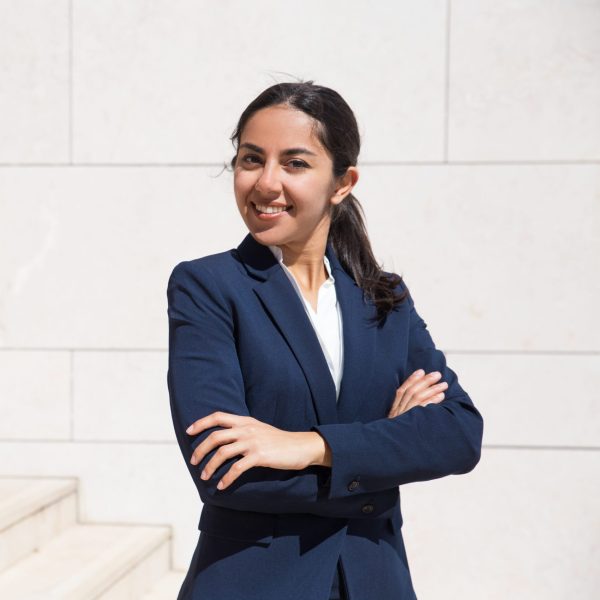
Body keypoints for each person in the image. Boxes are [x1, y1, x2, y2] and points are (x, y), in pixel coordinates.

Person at [167, 81, 484, 600]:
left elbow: (459, 435)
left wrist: (306, 446)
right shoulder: (207, 287)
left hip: (374, 579)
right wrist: (385, 446)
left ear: (343, 182)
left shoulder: (385, 299)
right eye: (251, 159)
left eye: (295, 163)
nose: (266, 182)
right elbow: (223, 469)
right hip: (252, 584)